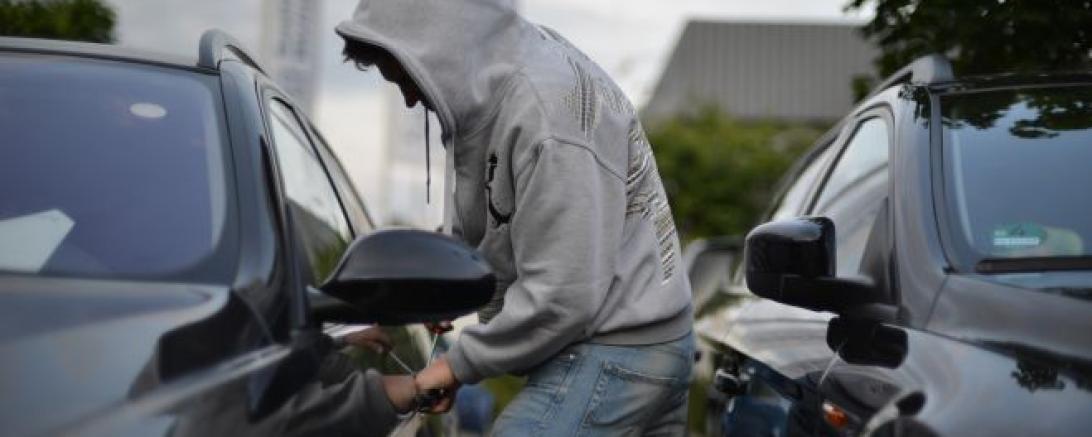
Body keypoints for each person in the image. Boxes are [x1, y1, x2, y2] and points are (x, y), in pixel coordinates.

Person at [337, 0, 695, 434]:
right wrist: (442, 286)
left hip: (616, 349)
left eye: (408, 78)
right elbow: (511, 216)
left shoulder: (546, 113)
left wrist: (452, 368)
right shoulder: (503, 77)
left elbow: (565, 292)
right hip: (633, 341)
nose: (412, 100)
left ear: (440, 46)